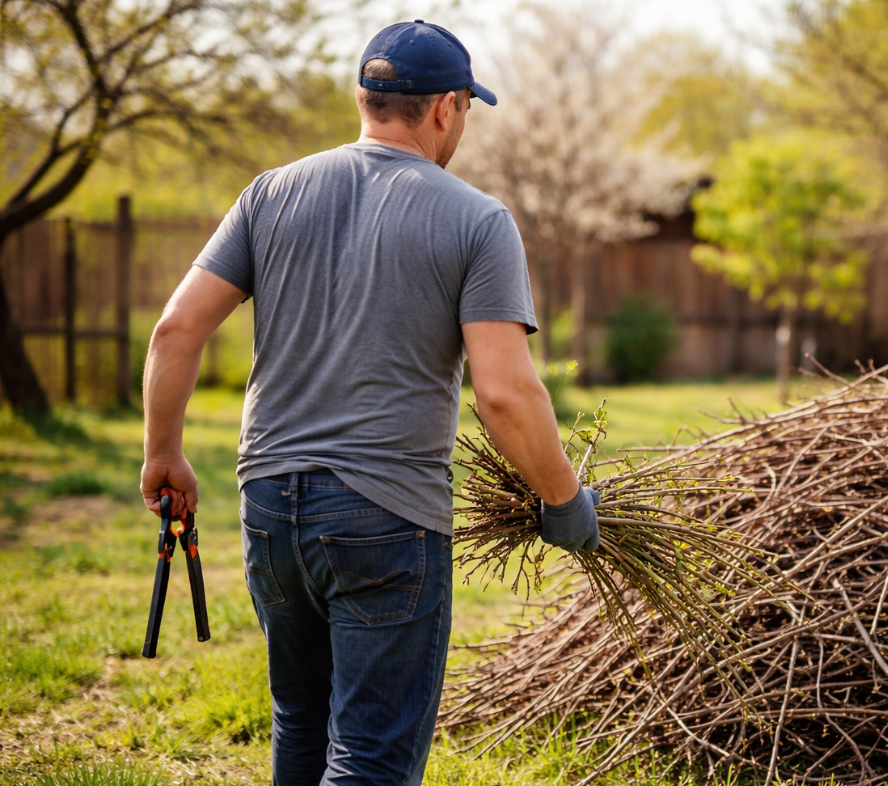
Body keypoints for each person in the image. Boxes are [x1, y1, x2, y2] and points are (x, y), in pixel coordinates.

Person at [139, 20, 599, 786]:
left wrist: (163, 453)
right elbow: (504, 392)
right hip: (385, 520)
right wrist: (564, 500)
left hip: (271, 512)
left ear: (364, 96)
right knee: (372, 758)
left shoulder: (270, 193)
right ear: (447, 108)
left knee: (303, 725)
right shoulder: (478, 220)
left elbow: (175, 327)